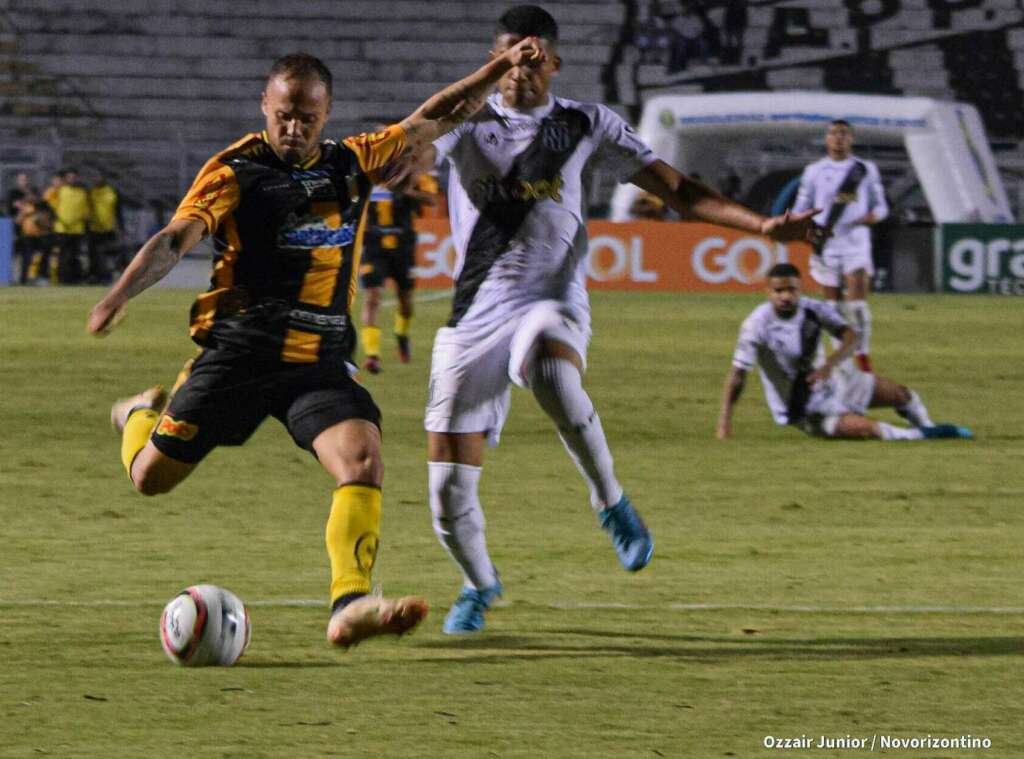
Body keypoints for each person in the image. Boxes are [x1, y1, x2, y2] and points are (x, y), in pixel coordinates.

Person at [86, 41, 547, 649]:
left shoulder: (352, 162)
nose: (294, 128)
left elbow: (437, 115)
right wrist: (120, 294)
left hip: (319, 360)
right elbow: (177, 238)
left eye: (306, 117)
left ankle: (350, 604)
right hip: (239, 355)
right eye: (283, 115)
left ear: (326, 114)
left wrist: (498, 68)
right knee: (150, 478)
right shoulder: (234, 172)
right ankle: (138, 415)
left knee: (362, 460)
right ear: (264, 106)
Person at [388, 5, 818, 635]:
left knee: (549, 371)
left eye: (534, 58)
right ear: (492, 60)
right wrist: (425, 146)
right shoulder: (467, 121)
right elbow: (417, 137)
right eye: (509, 57)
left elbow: (681, 191)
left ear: (556, 64)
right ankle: (480, 584)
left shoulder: (586, 123)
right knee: (447, 496)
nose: (521, 71)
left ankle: (611, 501)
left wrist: (765, 226)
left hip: (550, 298)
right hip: (473, 313)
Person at [717, 263, 972, 442]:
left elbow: (850, 336)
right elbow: (738, 374)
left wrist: (830, 363)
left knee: (902, 395)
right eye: (778, 291)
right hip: (806, 406)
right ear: (768, 292)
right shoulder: (756, 325)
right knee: (870, 431)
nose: (785, 296)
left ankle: (928, 427)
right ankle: (927, 437)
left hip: (837, 382)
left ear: (800, 289)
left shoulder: (813, 310)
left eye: (791, 290)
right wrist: (724, 424)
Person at [792, 119, 888, 373]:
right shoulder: (814, 171)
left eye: (844, 134)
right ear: (826, 139)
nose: (838, 138)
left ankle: (864, 357)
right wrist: (805, 227)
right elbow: (802, 206)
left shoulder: (865, 169)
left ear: (851, 139)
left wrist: (871, 217)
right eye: (834, 133)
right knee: (833, 307)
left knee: (857, 306)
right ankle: (843, 361)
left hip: (856, 241)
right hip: (826, 243)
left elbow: (881, 206)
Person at [359, 139, 439, 373]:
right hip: (374, 246)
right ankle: (372, 355)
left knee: (406, 303)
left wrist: (407, 190)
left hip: (403, 245)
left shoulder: (410, 175)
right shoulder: (369, 174)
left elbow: (432, 199)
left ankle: (402, 333)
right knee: (372, 297)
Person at [88, 171, 123, 283]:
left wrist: (120, 227)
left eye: (99, 177)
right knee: (93, 254)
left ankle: (105, 277)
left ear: (104, 178)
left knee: (105, 255)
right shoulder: (90, 192)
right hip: (93, 229)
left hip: (108, 229)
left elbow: (118, 212)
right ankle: (94, 276)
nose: (97, 179)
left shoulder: (112, 192)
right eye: (95, 177)